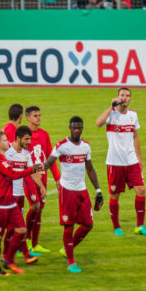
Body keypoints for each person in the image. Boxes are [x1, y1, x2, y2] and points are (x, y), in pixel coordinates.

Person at [43, 116, 103, 273]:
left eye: (79, 128)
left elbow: (89, 169)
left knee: (88, 224)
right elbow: (48, 163)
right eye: (74, 127)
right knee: (68, 227)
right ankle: (71, 261)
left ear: (82, 128)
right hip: (67, 191)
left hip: (82, 191)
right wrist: (32, 168)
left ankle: (67, 248)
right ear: (69, 127)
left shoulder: (86, 147)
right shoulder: (61, 145)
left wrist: (98, 190)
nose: (77, 130)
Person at [0, 131, 43, 276]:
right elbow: (12, 174)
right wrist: (31, 169)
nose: (7, 142)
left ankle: (8, 259)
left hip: (10, 202)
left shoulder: (4, 157)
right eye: (5, 140)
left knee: (21, 230)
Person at [96, 88, 146, 236]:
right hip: (115, 163)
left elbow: (135, 137)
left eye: (127, 96)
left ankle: (140, 226)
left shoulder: (133, 115)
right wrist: (110, 107)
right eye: (122, 95)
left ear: (130, 98)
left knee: (141, 190)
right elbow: (98, 123)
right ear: (117, 97)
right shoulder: (111, 114)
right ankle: (117, 227)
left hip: (131, 161)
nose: (124, 98)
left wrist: (139, 158)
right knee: (115, 195)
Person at [23, 106, 61, 253]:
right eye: (35, 115)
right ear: (28, 117)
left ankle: (35, 243)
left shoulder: (44, 134)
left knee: (40, 210)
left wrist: (57, 178)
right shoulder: (23, 135)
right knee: (34, 207)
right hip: (30, 176)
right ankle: (25, 240)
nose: (38, 118)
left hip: (43, 176)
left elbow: (51, 158)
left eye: (39, 115)